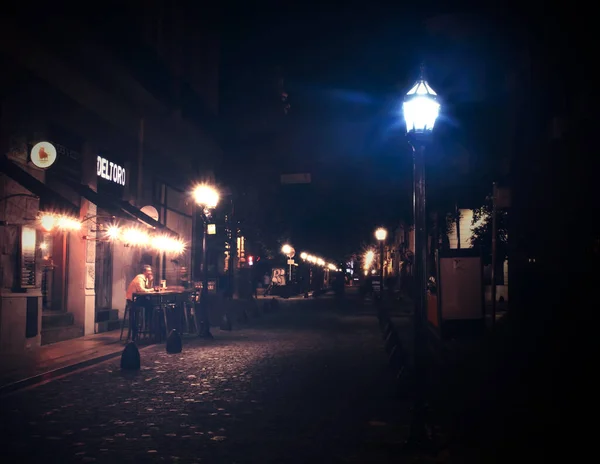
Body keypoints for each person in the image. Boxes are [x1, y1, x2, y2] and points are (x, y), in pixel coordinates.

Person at [126, 265, 155, 340]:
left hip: (139, 299)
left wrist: (151, 281)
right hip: (132, 300)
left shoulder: (146, 278)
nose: (150, 272)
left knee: (151, 305)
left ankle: (148, 326)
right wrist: (152, 289)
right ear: (144, 272)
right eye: (149, 271)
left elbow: (147, 288)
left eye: (150, 271)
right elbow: (141, 290)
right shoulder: (139, 278)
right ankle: (138, 330)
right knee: (150, 305)